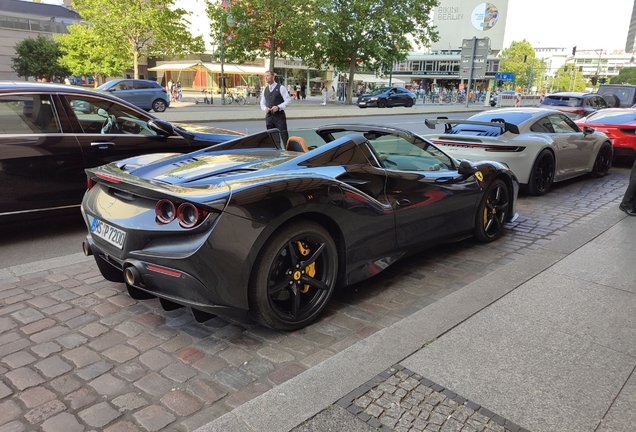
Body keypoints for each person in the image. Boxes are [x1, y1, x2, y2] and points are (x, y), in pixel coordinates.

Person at [261, 70, 291, 145]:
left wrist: (279, 107)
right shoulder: (265, 90)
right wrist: (265, 108)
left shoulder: (281, 88)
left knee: (284, 136)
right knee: (272, 137)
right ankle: (276, 152)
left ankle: (288, 151)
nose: (266, 78)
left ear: (273, 77)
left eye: (267, 76)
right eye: (265, 76)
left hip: (279, 116)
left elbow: (288, 100)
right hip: (269, 117)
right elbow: (262, 102)